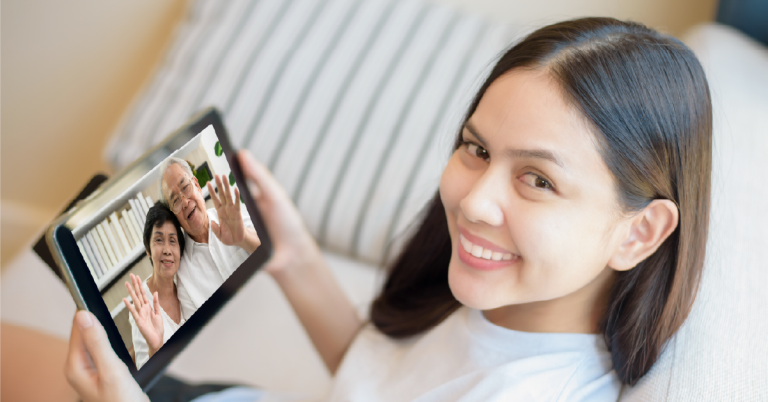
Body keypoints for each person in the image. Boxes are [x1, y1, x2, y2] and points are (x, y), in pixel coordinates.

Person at [65, 17, 712, 401]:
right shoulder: (513, 311)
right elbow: (379, 381)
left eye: (538, 180)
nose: (475, 200)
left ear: (640, 232)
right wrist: (293, 258)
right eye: (476, 149)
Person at [158, 157, 261, 317]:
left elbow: (271, 249)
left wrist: (243, 238)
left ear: (197, 186)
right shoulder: (183, 280)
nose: (185, 202)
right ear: (174, 216)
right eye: (175, 201)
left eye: (185, 187)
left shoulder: (233, 215)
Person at [123, 203, 188, 369]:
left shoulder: (187, 284)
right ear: (148, 249)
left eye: (173, 241)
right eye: (159, 240)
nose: (167, 250)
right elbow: (147, 374)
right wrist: (155, 348)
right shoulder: (142, 305)